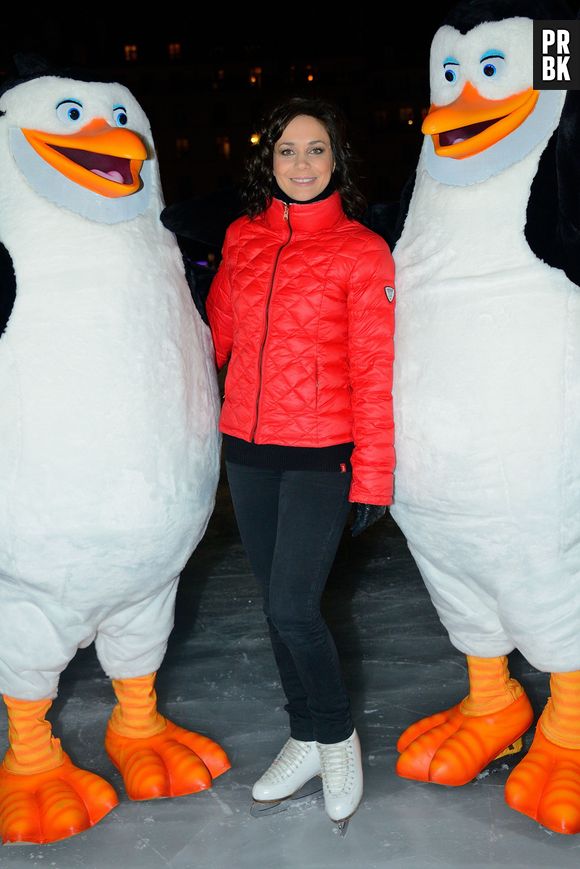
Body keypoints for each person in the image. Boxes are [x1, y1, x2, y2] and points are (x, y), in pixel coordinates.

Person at [205, 96, 395, 827]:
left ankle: (337, 735)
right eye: (287, 150)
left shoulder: (361, 250)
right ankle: (305, 733)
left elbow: (375, 370)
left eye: (317, 149)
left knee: (293, 605)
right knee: (276, 608)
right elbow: (215, 335)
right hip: (248, 451)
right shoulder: (242, 237)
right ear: (267, 159)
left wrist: (372, 473)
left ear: (338, 158)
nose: (302, 164)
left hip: (322, 453)